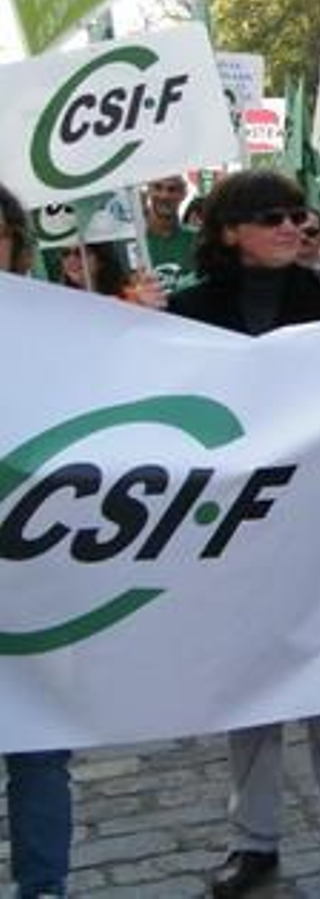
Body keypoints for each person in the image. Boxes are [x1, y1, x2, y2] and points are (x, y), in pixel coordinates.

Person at [167, 171, 320, 896]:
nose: (295, 227)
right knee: (252, 684)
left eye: (301, 214)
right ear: (230, 230)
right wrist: (139, 324)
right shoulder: (187, 310)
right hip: (234, 525)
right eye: (274, 217)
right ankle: (252, 840)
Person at [1, 182, 75, 899]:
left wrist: (135, 328)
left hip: (27, 576)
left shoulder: (54, 327)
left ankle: (43, 887)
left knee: (38, 750)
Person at [143, 174, 198, 290]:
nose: (164, 195)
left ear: (183, 194)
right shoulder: (134, 240)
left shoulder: (198, 238)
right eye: (158, 188)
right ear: (149, 191)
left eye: (172, 189)